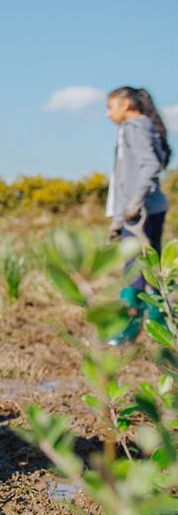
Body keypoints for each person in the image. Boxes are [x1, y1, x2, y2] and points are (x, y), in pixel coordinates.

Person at [105, 86, 171, 344]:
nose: (108, 114)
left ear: (127, 105)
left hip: (141, 212)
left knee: (134, 268)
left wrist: (133, 204)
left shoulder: (133, 128)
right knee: (152, 267)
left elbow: (150, 166)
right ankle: (160, 327)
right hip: (150, 208)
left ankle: (127, 330)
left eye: (111, 107)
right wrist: (117, 218)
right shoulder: (144, 126)